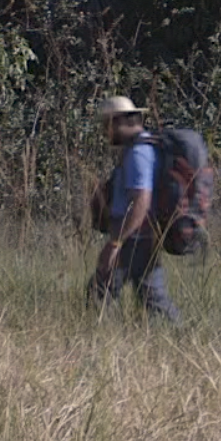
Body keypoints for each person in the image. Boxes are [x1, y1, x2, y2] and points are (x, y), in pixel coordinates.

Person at [88, 95, 181, 323]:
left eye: (106, 125)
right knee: (151, 297)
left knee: (100, 291)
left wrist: (116, 243)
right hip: (140, 237)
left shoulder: (139, 152)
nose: (105, 132)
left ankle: (99, 334)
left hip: (135, 238)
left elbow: (141, 201)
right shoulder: (140, 148)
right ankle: (177, 333)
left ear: (118, 122)